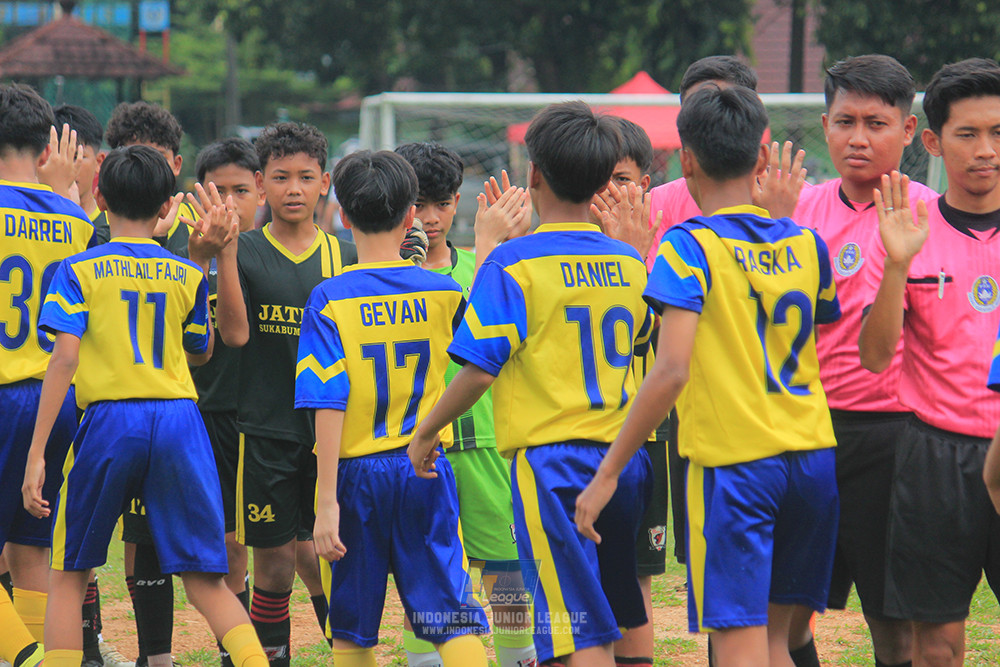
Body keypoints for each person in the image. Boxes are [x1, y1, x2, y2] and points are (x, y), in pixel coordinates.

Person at [576, 85, 840, 667]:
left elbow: (669, 369)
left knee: (740, 647)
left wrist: (608, 472)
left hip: (737, 465)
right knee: (779, 643)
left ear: (686, 160)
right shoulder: (809, 244)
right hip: (814, 459)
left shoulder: (686, 247)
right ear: (763, 158)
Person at [409, 101, 655, 667]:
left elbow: (477, 368)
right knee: (615, 616)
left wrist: (427, 432)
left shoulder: (513, 263)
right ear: (603, 182)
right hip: (623, 461)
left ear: (534, 173)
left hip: (553, 467)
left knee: (574, 631)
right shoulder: (630, 262)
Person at [21, 144, 268, 667]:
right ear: (166, 209)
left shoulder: (77, 270)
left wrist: (39, 451)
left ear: (101, 196)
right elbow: (200, 350)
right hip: (181, 418)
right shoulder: (185, 273)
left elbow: (63, 360)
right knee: (206, 580)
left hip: (110, 418)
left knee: (69, 576)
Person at [295, 148, 490, 667]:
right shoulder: (445, 290)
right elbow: (480, 363)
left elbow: (327, 401)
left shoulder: (329, 298)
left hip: (356, 474)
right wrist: (434, 427)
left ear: (339, 214)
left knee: (354, 631)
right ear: (410, 218)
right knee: (450, 618)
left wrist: (326, 500)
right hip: (424, 465)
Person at [794, 54, 938, 667]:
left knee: (893, 623)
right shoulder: (793, 211)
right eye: (845, 120)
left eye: (876, 123)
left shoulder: (936, 214)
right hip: (803, 431)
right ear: (824, 125)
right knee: (790, 613)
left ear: (908, 131)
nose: (858, 138)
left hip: (895, 436)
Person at [859, 58, 1000, 667]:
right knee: (936, 641)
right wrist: (895, 266)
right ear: (934, 142)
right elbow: (873, 356)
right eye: (967, 134)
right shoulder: (906, 230)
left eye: (998, 133)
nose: (986, 150)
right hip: (933, 455)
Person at [211, 121, 355, 665]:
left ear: (325, 184)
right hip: (265, 432)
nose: (293, 188)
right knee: (272, 568)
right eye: (280, 177)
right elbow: (235, 334)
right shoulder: (243, 250)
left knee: (334, 558)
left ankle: (348, 651)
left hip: (332, 438)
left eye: (305, 177)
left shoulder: (346, 256)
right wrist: (222, 255)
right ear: (260, 183)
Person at [395, 142, 535, 667]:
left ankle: (518, 657)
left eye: (443, 204)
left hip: (488, 451)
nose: (430, 219)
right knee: (428, 581)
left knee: (509, 583)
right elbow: (460, 331)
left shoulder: (486, 265)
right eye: (419, 204)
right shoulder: (387, 276)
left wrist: (500, 253)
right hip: (419, 451)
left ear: (459, 202)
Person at [0, 83, 94, 667]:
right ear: (45, 149)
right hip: (58, 401)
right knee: (32, 547)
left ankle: (32, 658)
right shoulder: (75, 217)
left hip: (5, 390)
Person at [104, 100, 200, 667]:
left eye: (155, 160)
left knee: (169, 541)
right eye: (128, 157)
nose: (140, 169)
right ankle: (99, 643)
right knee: (105, 539)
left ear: (177, 167)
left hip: (178, 406)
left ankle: (161, 654)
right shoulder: (99, 232)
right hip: (108, 406)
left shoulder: (198, 232)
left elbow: (207, 339)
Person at [183, 137, 266, 667]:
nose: (230, 203)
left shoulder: (276, 252)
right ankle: (237, 653)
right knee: (227, 545)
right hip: (204, 414)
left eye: (241, 189)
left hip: (266, 415)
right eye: (220, 190)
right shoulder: (181, 257)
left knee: (295, 549)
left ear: (260, 191)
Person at [54, 104, 108, 245]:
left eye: (77, 156)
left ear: (98, 162)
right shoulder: (33, 223)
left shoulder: (113, 226)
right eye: (59, 155)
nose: (67, 165)